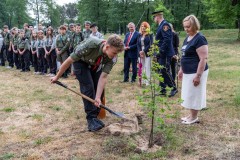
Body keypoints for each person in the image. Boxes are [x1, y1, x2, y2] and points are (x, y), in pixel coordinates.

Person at [51, 34, 124, 132]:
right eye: (114, 53)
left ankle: (96, 115)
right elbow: (69, 61)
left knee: (99, 90)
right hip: (81, 62)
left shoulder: (112, 58)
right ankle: (91, 119)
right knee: (88, 87)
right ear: (107, 47)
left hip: (95, 64)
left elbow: (103, 77)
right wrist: (57, 77)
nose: (115, 56)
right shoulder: (90, 45)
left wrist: (98, 97)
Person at [178, 15, 209, 124]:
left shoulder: (200, 38)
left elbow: (203, 58)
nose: (186, 29)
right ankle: (191, 115)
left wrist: (198, 76)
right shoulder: (188, 38)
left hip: (196, 71)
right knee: (189, 93)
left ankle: (194, 117)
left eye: (188, 26)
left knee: (195, 93)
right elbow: (184, 55)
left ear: (195, 25)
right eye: (184, 27)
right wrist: (181, 69)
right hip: (187, 71)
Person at [152, 10, 178, 97]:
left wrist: (160, 51)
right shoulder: (161, 25)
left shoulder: (165, 25)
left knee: (164, 70)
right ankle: (163, 89)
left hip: (165, 52)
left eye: (154, 17)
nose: (154, 19)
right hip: (162, 53)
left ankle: (173, 87)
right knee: (160, 70)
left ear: (158, 16)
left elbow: (167, 40)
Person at [137, 21, 153, 86]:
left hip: (147, 52)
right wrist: (140, 51)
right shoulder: (139, 35)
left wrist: (144, 51)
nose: (143, 28)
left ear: (147, 28)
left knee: (147, 66)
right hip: (140, 53)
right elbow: (138, 44)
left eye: (144, 27)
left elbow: (150, 44)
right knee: (142, 66)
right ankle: (143, 80)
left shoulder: (150, 35)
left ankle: (147, 81)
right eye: (142, 26)